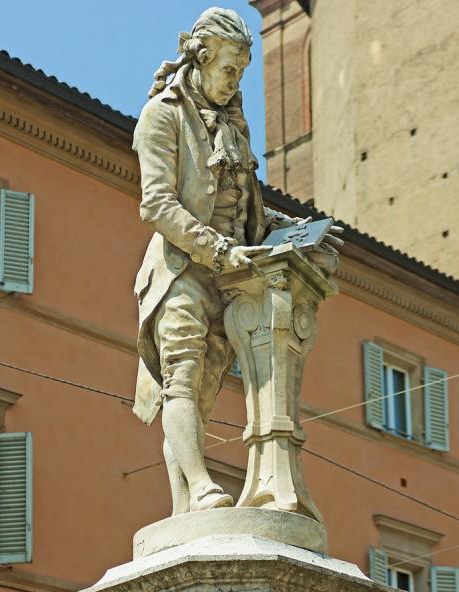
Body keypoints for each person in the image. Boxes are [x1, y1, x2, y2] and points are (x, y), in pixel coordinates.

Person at [132, 8, 341, 514]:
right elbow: (157, 203)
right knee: (182, 378)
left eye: (241, 72)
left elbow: (242, 201)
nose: (235, 81)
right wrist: (219, 251)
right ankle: (200, 486)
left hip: (229, 280)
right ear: (202, 59)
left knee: (201, 397)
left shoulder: (232, 125)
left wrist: (295, 231)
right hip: (181, 270)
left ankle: (184, 509)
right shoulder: (163, 114)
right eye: (229, 69)